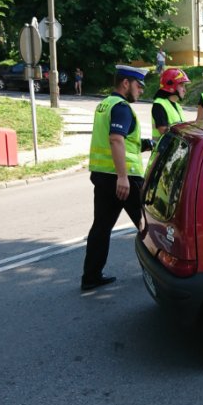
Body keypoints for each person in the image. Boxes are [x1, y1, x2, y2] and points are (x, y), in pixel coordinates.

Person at [81, 65, 148, 291]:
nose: (141, 91)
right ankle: (158, 272)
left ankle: (91, 276)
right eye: (139, 86)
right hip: (123, 179)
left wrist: (146, 144)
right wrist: (122, 177)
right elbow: (116, 140)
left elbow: (125, 141)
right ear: (126, 83)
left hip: (102, 176)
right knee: (147, 225)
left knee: (101, 227)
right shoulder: (121, 107)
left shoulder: (104, 105)